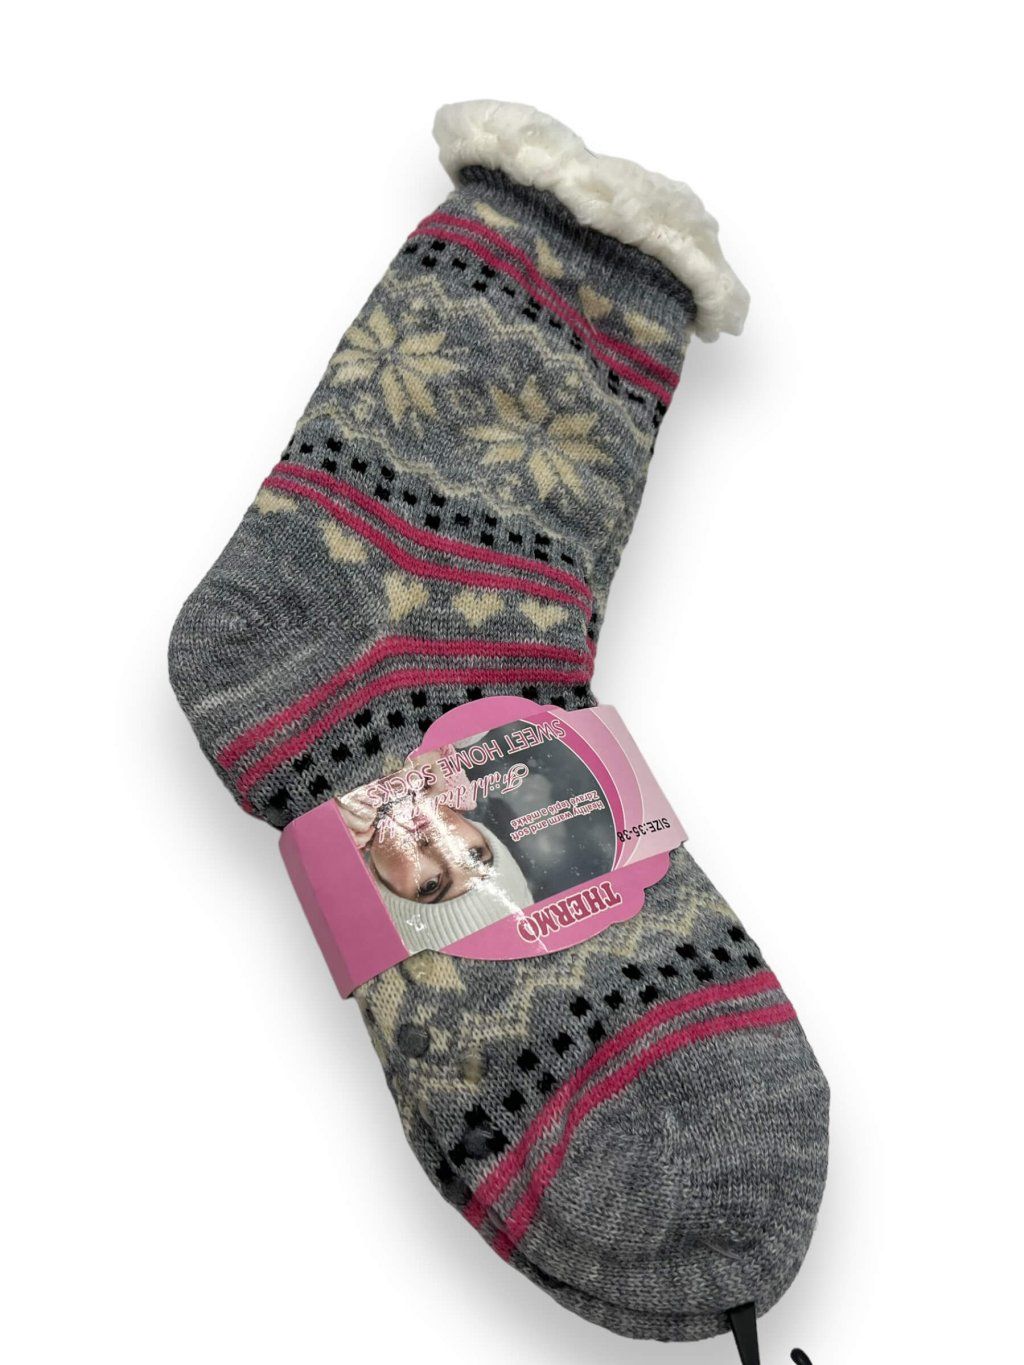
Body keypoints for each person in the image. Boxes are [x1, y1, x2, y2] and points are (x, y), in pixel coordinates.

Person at [339, 783, 532, 953]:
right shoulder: (448, 768)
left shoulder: (330, 849)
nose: (437, 845)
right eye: (473, 856)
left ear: (386, 893)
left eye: (430, 885)